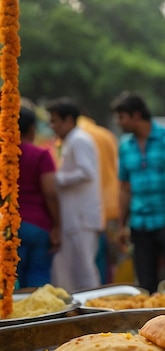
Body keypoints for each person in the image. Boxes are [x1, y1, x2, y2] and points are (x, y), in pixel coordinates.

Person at [111, 92, 165, 293]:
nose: (118, 122)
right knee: (145, 282)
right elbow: (125, 188)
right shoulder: (125, 146)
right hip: (140, 224)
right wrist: (122, 225)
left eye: (122, 117)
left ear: (136, 115)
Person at [47, 97, 103, 292]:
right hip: (76, 217)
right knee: (72, 270)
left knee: (84, 271)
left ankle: (91, 312)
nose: (52, 126)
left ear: (69, 119)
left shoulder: (79, 139)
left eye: (55, 121)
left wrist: (58, 179)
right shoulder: (73, 139)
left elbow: (87, 172)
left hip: (81, 218)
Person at [16, 105, 61, 288]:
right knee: (38, 275)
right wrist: (57, 226)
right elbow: (50, 192)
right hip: (38, 226)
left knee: (12, 277)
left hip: (9, 227)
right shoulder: (40, 155)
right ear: (32, 128)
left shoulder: (5, 157)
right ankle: (42, 317)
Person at [77, 114, 120, 284]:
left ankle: (102, 290)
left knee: (95, 255)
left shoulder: (79, 136)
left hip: (92, 204)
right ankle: (111, 287)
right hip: (112, 201)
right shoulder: (106, 134)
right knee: (110, 256)